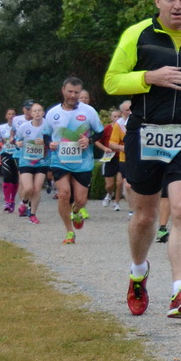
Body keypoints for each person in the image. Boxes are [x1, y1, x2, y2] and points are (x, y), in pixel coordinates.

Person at [103, 0, 181, 319]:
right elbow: (111, 81)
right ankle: (138, 273)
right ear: (157, 1)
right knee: (145, 216)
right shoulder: (137, 34)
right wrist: (148, 77)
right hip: (145, 131)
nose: (177, 6)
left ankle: (180, 290)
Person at [44, 78, 103, 244]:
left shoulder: (89, 111)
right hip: (59, 160)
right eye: (70, 91)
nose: (73, 95)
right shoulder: (53, 113)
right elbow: (46, 135)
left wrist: (89, 141)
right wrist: (50, 143)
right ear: (63, 90)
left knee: (80, 200)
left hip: (82, 162)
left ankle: (76, 211)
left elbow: (100, 132)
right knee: (63, 194)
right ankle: (69, 232)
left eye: (76, 92)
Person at [14, 102, 49, 224]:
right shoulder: (24, 127)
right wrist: (18, 143)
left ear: (43, 113)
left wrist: (45, 143)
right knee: (28, 188)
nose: (38, 113)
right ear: (30, 113)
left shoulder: (47, 126)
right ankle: (24, 202)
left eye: (40, 110)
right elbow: (16, 140)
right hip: (26, 161)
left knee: (37, 189)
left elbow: (54, 141)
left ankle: (32, 214)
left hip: (42, 161)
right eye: (35, 111)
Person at [97, 103, 129, 210]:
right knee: (109, 184)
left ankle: (117, 202)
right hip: (110, 157)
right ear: (111, 118)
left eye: (118, 116)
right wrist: (105, 148)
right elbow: (97, 141)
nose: (116, 118)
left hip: (122, 157)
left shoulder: (127, 125)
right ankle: (109, 194)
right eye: (114, 116)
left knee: (120, 182)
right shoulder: (107, 129)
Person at [0, 109, 15, 212]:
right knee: (7, 176)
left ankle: (12, 200)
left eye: (13, 114)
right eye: (9, 114)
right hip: (5, 154)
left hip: (16, 155)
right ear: (6, 116)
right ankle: (7, 201)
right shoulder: (1, 128)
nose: (11, 116)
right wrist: (0, 140)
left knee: (15, 179)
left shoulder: (20, 126)